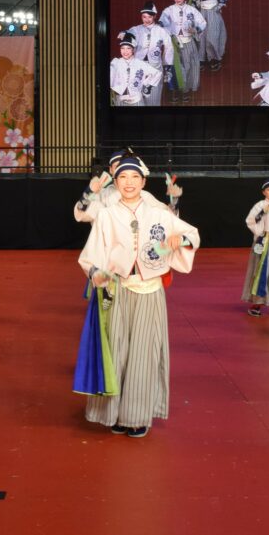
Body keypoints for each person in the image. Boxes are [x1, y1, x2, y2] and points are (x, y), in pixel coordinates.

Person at [79, 155, 200, 438]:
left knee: (144, 353)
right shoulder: (107, 215)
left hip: (150, 290)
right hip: (118, 289)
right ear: (116, 181)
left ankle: (137, 415)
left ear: (143, 182)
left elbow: (192, 235)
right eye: (123, 177)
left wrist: (178, 239)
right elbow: (92, 254)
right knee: (117, 351)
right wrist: (96, 272)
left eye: (135, 178)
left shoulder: (159, 214)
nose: (129, 183)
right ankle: (115, 413)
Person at [242, 179, 269, 317]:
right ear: (264, 192)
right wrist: (262, 213)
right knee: (260, 272)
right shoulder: (260, 205)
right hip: (264, 242)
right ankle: (257, 303)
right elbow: (250, 220)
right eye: (268, 190)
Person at [159, 0, 207, 103]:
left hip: (188, 43)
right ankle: (174, 91)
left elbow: (202, 22)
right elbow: (162, 22)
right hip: (173, 44)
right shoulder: (168, 10)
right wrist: (163, 27)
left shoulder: (192, 10)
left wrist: (195, 29)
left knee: (189, 67)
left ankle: (185, 91)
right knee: (174, 68)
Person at [121, 2, 175, 106]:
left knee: (153, 100)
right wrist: (124, 33)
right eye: (144, 17)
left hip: (155, 68)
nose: (146, 20)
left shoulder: (161, 31)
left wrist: (167, 67)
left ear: (155, 16)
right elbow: (128, 33)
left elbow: (169, 48)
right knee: (137, 98)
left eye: (149, 17)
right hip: (138, 68)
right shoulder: (136, 30)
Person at [110, 33, 161, 107]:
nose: (125, 51)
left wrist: (147, 86)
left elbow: (157, 73)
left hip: (137, 100)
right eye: (122, 48)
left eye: (128, 48)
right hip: (120, 100)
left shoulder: (140, 63)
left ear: (133, 50)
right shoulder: (116, 62)